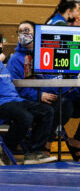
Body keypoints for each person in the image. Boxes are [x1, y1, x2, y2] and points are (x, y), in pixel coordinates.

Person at [0, 29, 55, 165]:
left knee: (47, 111)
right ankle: (5, 147)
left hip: (15, 100)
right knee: (25, 116)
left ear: (2, 46)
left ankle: (33, 152)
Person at [8, 20, 80, 152]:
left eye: (27, 31)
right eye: (21, 31)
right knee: (63, 105)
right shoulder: (15, 59)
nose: (24, 34)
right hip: (31, 100)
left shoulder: (47, 53)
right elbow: (17, 88)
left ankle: (75, 140)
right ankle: (41, 145)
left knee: (68, 102)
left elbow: (56, 80)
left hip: (54, 95)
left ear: (37, 34)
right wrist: (39, 95)